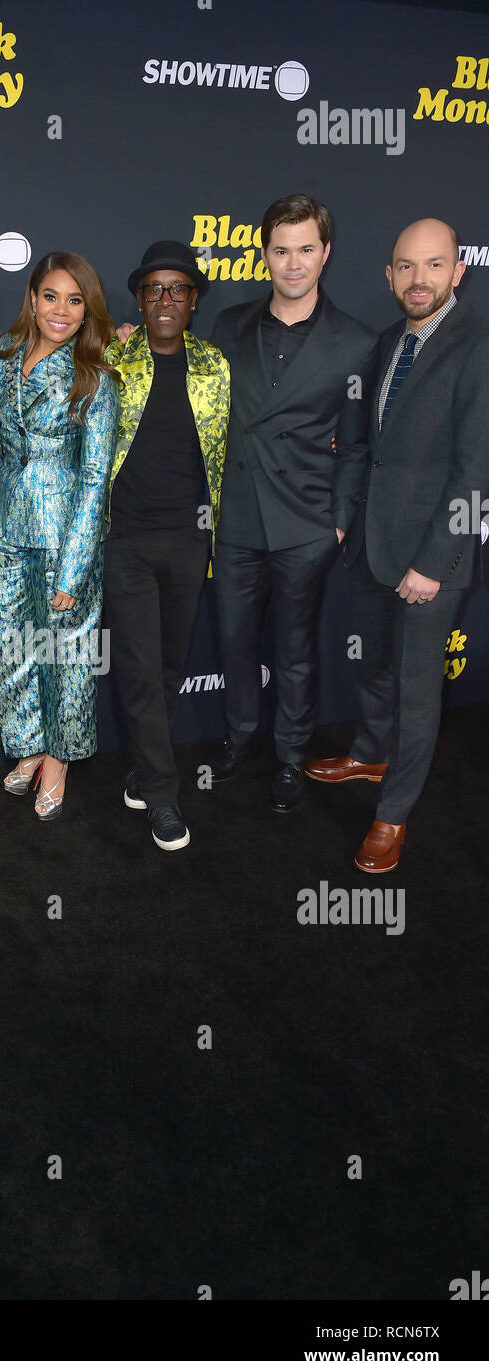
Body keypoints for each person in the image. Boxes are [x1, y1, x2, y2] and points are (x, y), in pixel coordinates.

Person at [305, 219, 489, 872]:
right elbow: (361, 447)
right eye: (406, 267)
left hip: (431, 560)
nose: (419, 280)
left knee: (416, 691)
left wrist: (434, 564)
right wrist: (342, 518)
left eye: (433, 266)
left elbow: (476, 470)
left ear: (458, 271)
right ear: (389, 276)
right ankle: (369, 753)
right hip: (370, 545)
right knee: (373, 668)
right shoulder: (387, 342)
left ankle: (393, 813)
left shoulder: (478, 343)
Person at [206, 194, 379, 813]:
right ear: (264, 255)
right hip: (237, 519)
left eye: (306, 249)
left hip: (306, 523)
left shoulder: (356, 342)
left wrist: (337, 522)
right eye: (281, 250)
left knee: (297, 649)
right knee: (233, 641)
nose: (293, 262)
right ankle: (238, 737)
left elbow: (356, 445)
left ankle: (289, 756)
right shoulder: (228, 325)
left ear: (325, 254)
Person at [0, 251, 118, 819]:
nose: (61, 310)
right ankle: (31, 747)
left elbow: (94, 476)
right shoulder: (2, 353)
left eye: (75, 300)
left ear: (87, 311)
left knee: (66, 654)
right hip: (4, 524)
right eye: (51, 296)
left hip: (66, 538)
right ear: (32, 299)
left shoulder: (96, 378)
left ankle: (60, 759)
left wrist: (75, 566)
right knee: (13, 648)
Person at [104, 241, 229, 851]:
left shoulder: (216, 367)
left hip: (190, 538)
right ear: (139, 298)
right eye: (154, 289)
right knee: (138, 668)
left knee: (170, 667)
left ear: (194, 300)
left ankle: (143, 770)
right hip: (124, 539)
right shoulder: (113, 357)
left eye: (177, 289)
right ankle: (162, 792)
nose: (165, 299)